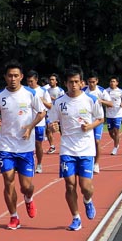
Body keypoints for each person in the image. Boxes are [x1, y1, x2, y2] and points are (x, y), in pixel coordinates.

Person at [0, 61, 46, 230]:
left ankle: (28, 198)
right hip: (6, 146)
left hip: (25, 147)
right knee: (8, 180)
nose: (13, 79)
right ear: (5, 77)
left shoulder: (30, 94)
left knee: (26, 186)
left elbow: (42, 112)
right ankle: (14, 216)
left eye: (16, 76)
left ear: (21, 77)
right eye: (10, 76)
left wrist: (30, 126)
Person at [47, 65, 104, 231]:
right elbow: (51, 122)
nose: (73, 85)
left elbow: (100, 119)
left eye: (76, 82)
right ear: (65, 83)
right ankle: (76, 217)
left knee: (85, 187)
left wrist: (90, 126)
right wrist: (52, 127)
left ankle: (87, 200)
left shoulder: (91, 100)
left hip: (86, 149)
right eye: (70, 82)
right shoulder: (59, 102)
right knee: (70, 184)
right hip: (67, 149)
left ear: (82, 83)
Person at [26, 70, 52, 173]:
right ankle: (27, 164)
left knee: (38, 144)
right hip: (27, 122)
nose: (29, 83)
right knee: (26, 144)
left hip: (40, 123)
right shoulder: (25, 91)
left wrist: (42, 101)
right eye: (28, 81)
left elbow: (50, 105)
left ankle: (39, 164)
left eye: (31, 81)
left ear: (36, 80)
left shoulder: (43, 91)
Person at [82, 71, 105, 174]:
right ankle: (87, 162)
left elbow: (111, 103)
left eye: (93, 82)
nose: (91, 84)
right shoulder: (83, 91)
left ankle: (96, 164)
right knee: (87, 142)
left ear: (97, 81)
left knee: (97, 141)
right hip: (86, 120)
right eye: (90, 82)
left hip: (98, 120)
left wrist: (101, 101)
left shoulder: (101, 91)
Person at [101, 76, 122, 155]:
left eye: (114, 81)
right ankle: (117, 140)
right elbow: (102, 100)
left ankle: (115, 147)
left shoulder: (121, 91)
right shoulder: (106, 91)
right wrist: (106, 104)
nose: (112, 83)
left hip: (118, 114)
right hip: (109, 114)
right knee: (111, 132)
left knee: (116, 130)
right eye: (111, 81)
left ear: (117, 83)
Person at [45, 73, 65, 154]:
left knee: (61, 130)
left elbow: (63, 101)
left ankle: (65, 145)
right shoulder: (46, 91)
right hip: (50, 113)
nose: (51, 81)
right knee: (48, 130)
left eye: (53, 79)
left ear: (56, 81)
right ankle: (52, 146)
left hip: (59, 113)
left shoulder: (60, 91)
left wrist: (52, 98)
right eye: (50, 79)